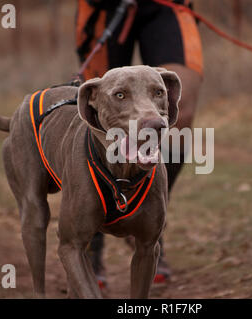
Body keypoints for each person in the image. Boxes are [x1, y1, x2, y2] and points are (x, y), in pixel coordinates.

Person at [75, 0, 203, 285]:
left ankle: (146, 217)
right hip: (105, 7)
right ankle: (91, 241)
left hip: (168, 6)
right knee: (103, 110)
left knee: (179, 115)